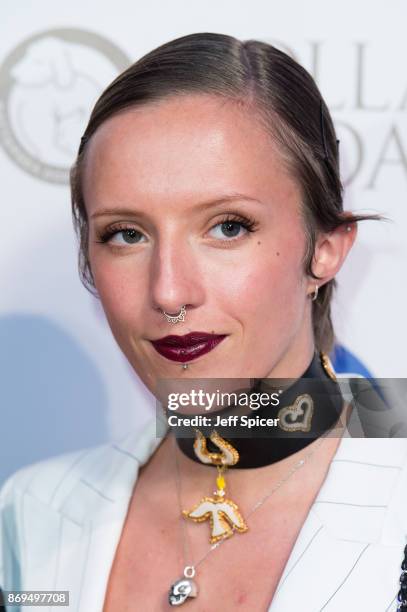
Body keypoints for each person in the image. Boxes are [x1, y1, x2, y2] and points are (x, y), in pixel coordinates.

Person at [1, 32, 407, 612]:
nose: (169, 291)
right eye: (126, 234)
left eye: (228, 227)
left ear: (325, 249)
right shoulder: (31, 512)